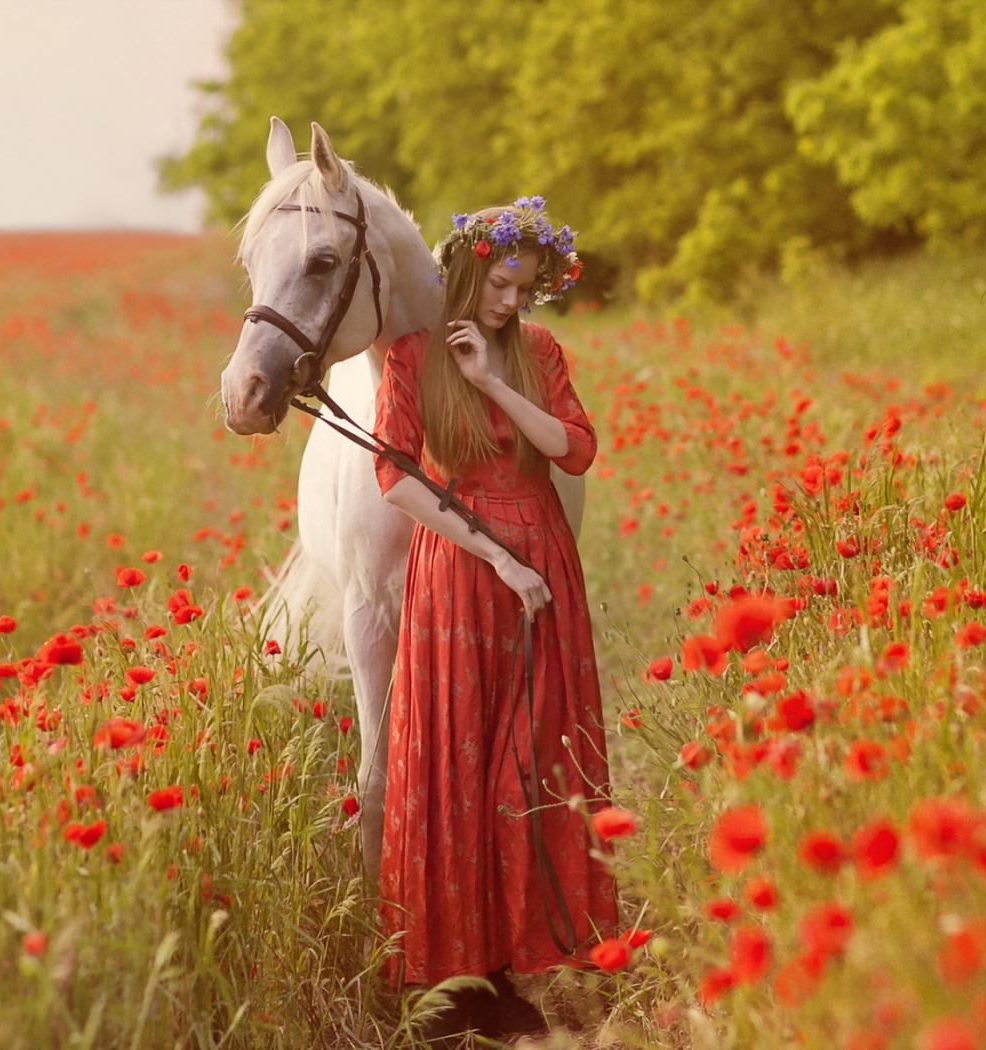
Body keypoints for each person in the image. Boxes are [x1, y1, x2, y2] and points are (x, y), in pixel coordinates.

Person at [373, 198, 618, 1042]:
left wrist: (490, 382)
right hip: (463, 573)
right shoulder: (409, 358)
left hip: (544, 563)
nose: (512, 303)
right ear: (468, 271)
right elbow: (397, 480)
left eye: (525, 288)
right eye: (501, 285)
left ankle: (514, 964)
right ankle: (450, 978)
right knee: (453, 755)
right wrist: (498, 559)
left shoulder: (538, 352)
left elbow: (575, 451)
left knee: (530, 754)